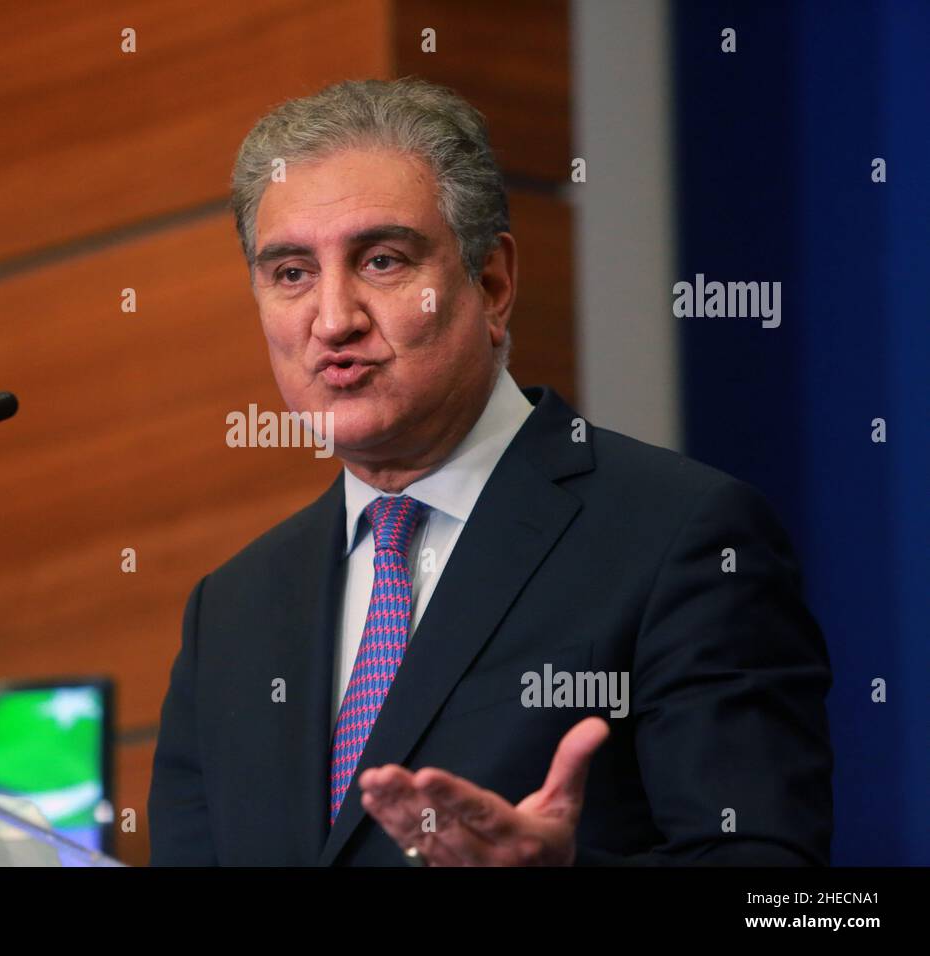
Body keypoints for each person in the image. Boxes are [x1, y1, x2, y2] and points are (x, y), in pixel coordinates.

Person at [148, 78, 832, 866]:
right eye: (291, 273)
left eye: (382, 260)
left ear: (493, 283)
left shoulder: (683, 537)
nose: (333, 319)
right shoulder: (229, 613)